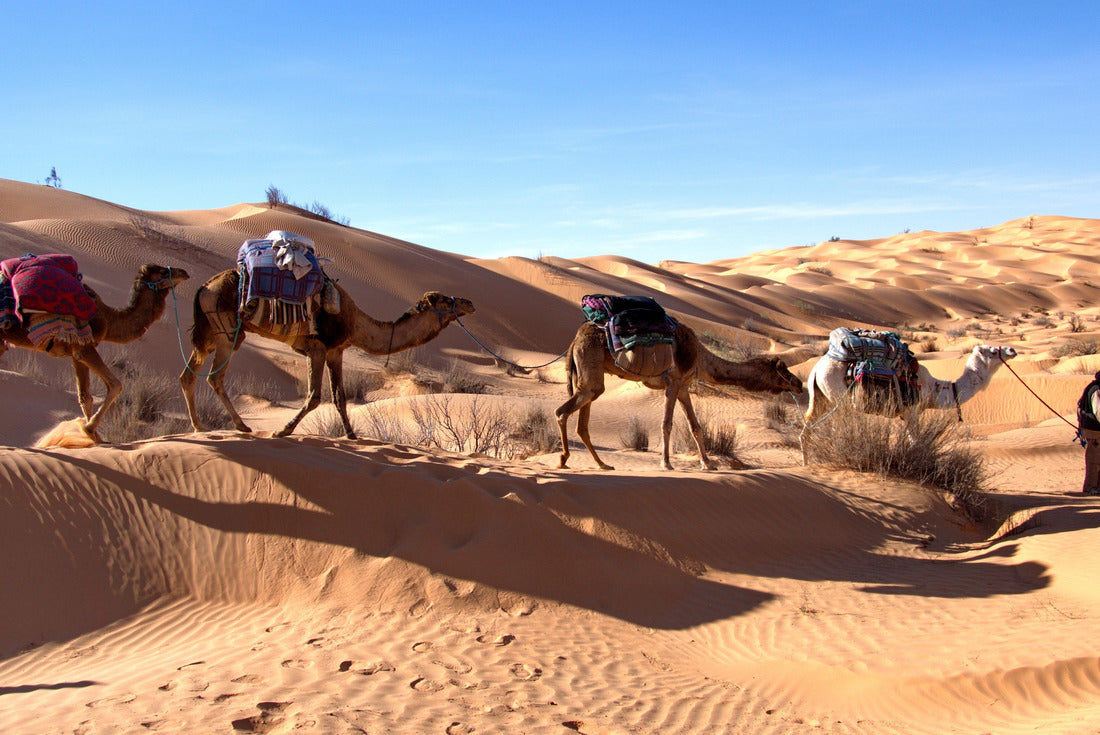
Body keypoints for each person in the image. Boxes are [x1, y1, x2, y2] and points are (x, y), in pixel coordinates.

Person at [1077, 370, 1100, 495]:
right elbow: (1099, 412)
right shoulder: (1096, 390)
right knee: (1094, 460)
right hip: (1095, 431)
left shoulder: (1094, 387)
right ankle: (1091, 487)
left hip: (1093, 429)